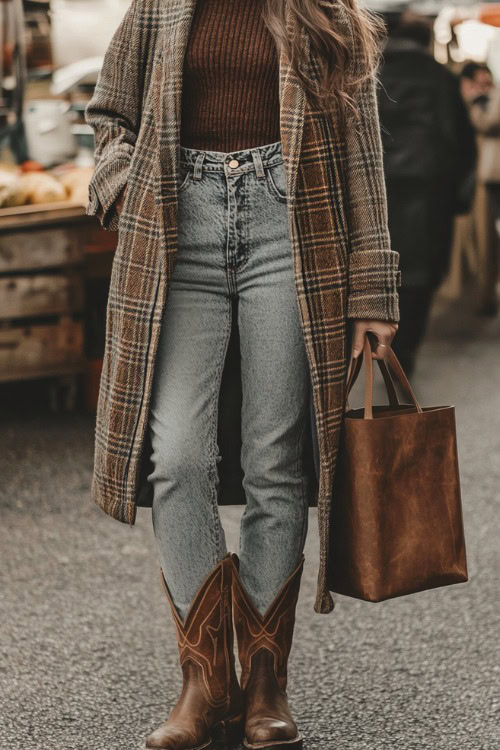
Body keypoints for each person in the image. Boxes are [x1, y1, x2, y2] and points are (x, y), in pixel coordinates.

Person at [84, 1, 400, 748]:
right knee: (179, 458)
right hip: (175, 227)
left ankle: (263, 681)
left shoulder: (323, 11)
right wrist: (124, 186)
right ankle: (204, 680)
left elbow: (363, 151)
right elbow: (107, 113)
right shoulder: (156, 8)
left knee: (275, 461)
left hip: (290, 231)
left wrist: (372, 290)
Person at [378, 13, 476, 375]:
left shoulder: (367, 75)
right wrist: (460, 199)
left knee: (377, 267)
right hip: (429, 193)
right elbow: (464, 145)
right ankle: (404, 353)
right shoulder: (442, 79)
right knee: (419, 276)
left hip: (378, 193)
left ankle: (372, 342)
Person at [460, 61, 500, 316]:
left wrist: (476, 101)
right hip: (478, 179)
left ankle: (486, 296)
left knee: (487, 240)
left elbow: (488, 123)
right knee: (481, 241)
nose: (482, 82)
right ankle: (482, 295)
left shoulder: (491, 98)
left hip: (492, 177)